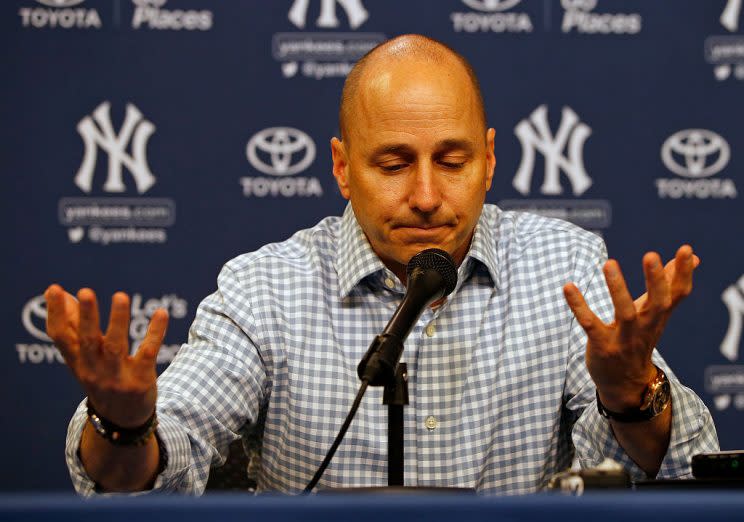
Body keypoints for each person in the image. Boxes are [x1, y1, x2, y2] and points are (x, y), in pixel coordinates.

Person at [47, 34, 718, 496]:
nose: (426, 195)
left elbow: (683, 465)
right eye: (393, 163)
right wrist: (126, 426)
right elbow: (157, 465)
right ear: (342, 166)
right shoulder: (266, 289)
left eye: (452, 162)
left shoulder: (563, 268)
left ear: (489, 160)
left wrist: (631, 394)